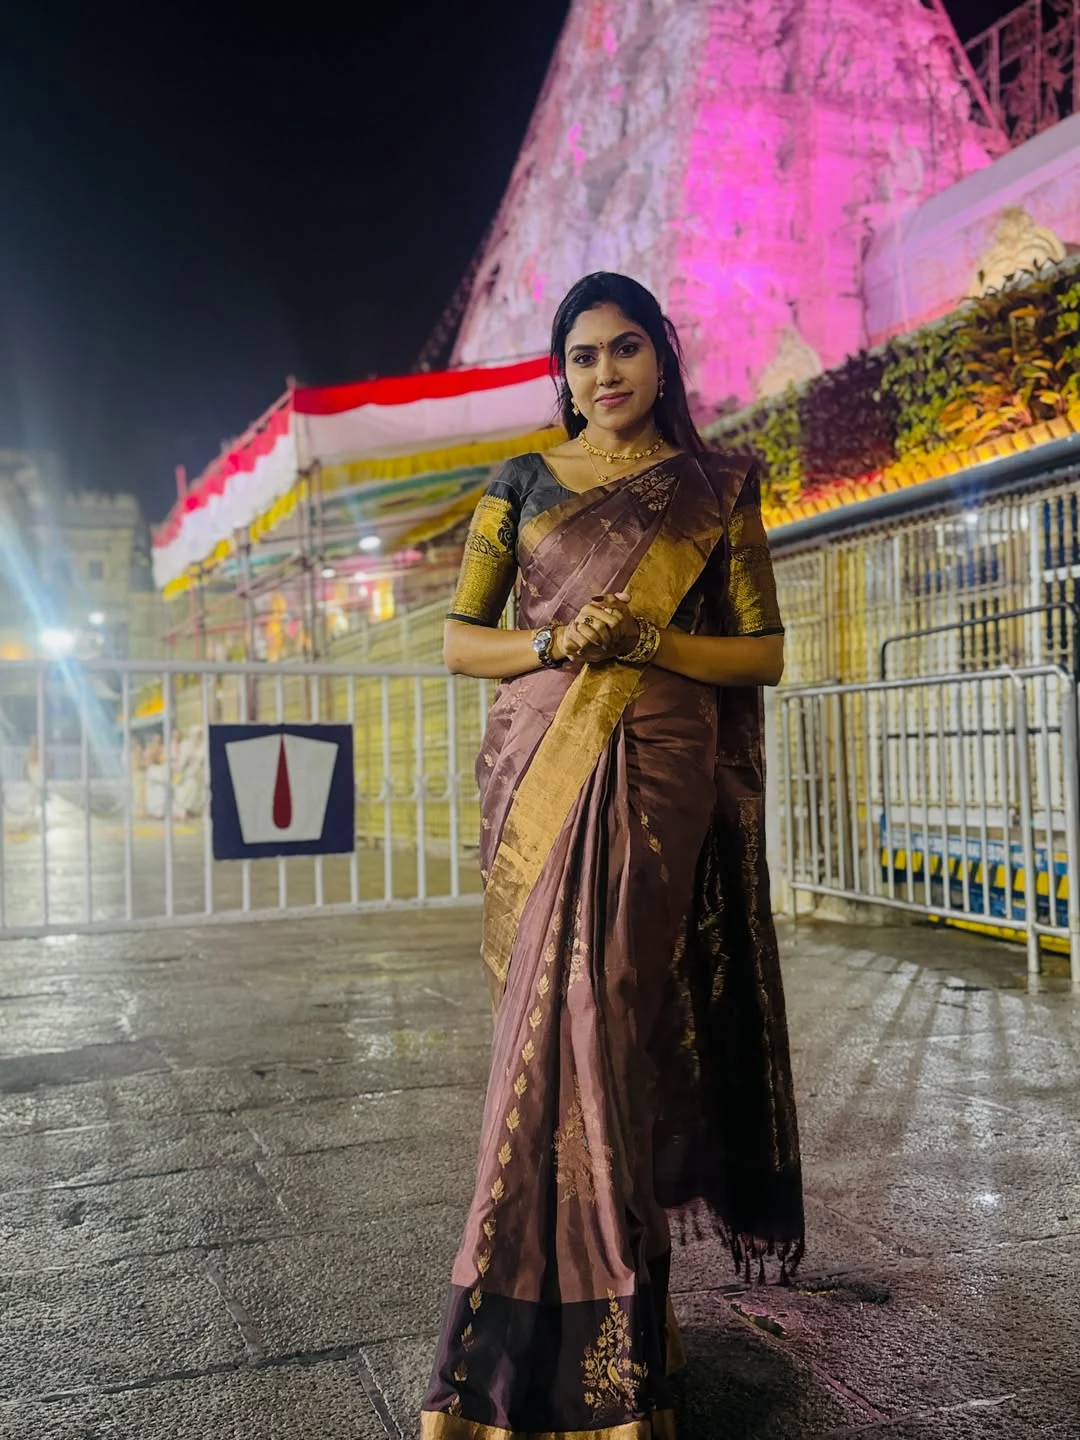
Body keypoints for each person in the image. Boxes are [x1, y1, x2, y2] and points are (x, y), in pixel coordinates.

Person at [420, 273, 804, 1440]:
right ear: (564, 374)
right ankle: (593, 1323)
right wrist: (550, 642)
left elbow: (763, 655)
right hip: (541, 766)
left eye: (625, 348)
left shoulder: (717, 487)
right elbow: (460, 642)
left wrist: (651, 637)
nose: (605, 373)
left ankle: (612, 1326)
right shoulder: (519, 483)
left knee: (607, 1012)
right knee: (550, 1028)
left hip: (659, 768)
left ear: (661, 358)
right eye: (583, 357)